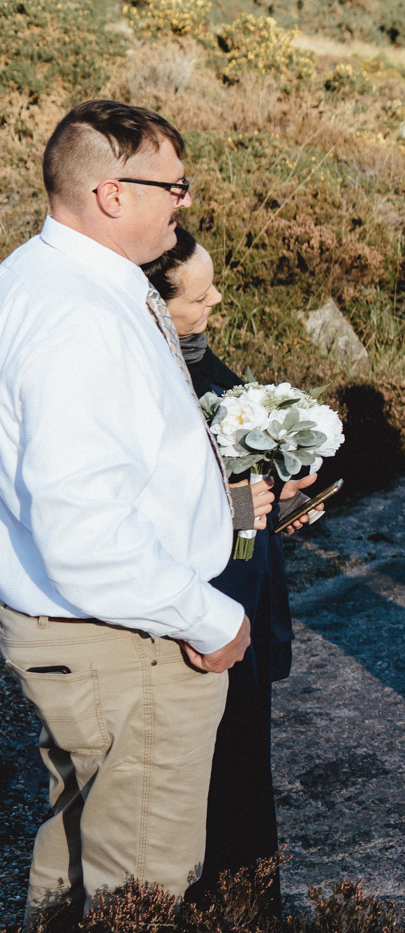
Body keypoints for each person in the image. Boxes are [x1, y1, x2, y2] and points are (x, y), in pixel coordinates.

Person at [0, 100, 272, 915]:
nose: (184, 203)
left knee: (71, 860)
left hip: (78, 634)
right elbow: (83, 529)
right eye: (174, 186)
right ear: (113, 193)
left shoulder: (33, 277)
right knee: (141, 890)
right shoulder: (78, 317)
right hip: (127, 643)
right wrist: (203, 616)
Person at [142, 227, 322, 917]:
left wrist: (287, 500)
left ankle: (248, 906)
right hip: (198, 601)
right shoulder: (151, 376)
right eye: (200, 292)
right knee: (211, 769)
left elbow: (238, 474)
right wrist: (234, 504)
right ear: (157, 303)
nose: (216, 298)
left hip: (243, 579)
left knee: (246, 759)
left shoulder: (199, 358)